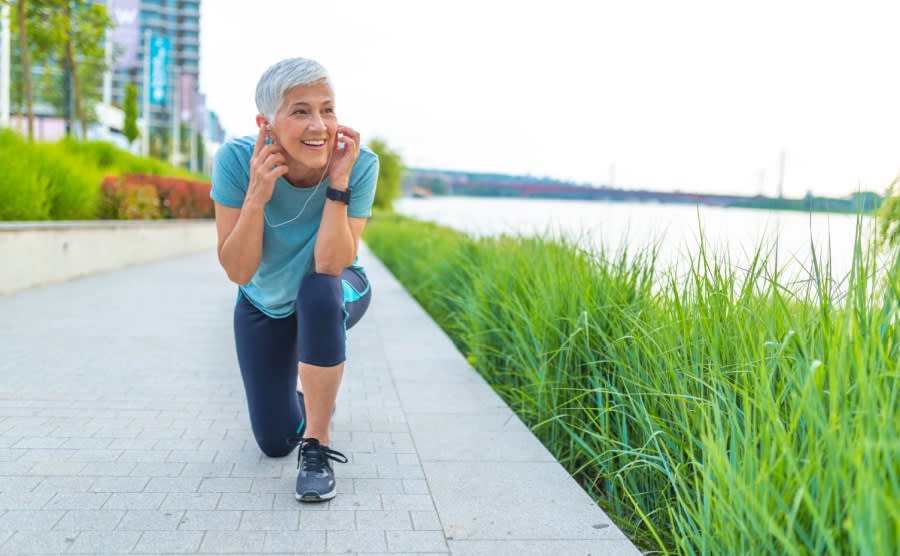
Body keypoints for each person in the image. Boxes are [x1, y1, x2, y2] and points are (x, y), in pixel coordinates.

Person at [210, 57, 378, 502]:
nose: (319, 125)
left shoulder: (358, 164)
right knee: (272, 441)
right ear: (266, 124)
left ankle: (317, 447)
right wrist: (256, 197)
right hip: (263, 300)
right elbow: (238, 271)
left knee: (318, 293)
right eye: (300, 110)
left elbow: (331, 264)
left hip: (337, 286)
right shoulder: (234, 160)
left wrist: (338, 182)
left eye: (327, 109)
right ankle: (310, 405)